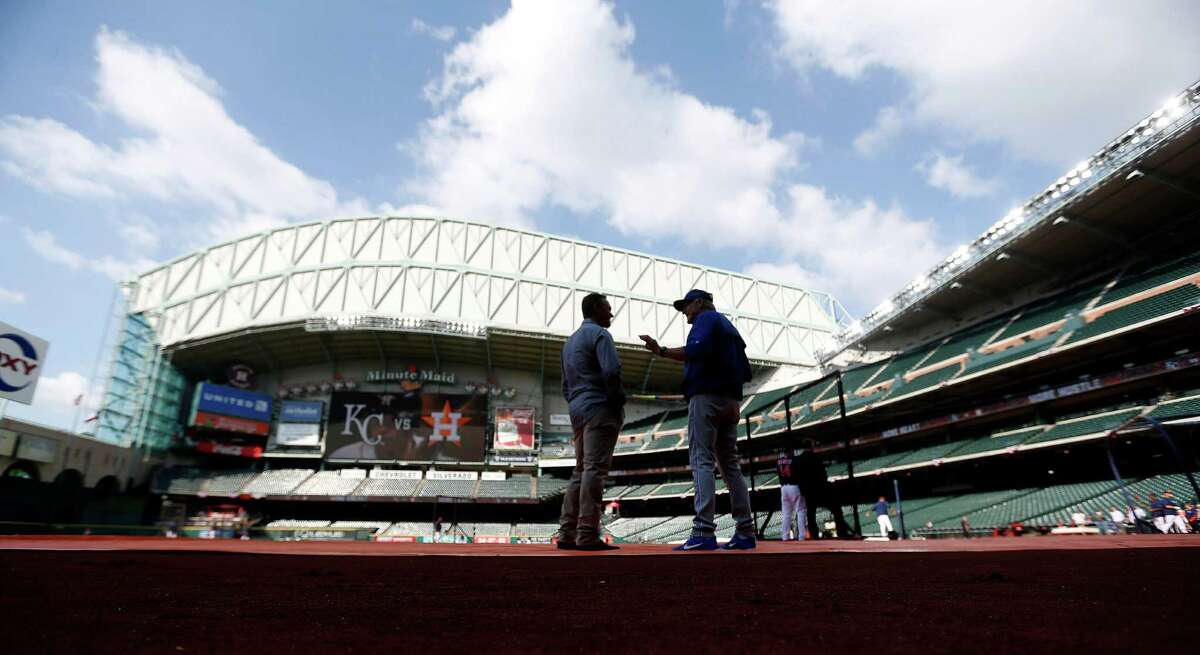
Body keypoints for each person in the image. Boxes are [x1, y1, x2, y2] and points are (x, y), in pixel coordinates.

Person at [639, 289, 756, 551]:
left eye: (686, 307)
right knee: (730, 465)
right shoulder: (729, 327)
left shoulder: (706, 319)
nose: (685, 313)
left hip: (707, 397)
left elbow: (697, 348)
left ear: (699, 303)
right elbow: (746, 371)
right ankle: (745, 531)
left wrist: (662, 351)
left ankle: (703, 531)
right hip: (731, 400)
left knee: (701, 460)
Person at [557, 292, 625, 551]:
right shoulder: (601, 335)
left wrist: (578, 401)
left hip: (577, 409)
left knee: (580, 470)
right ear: (596, 309)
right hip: (599, 407)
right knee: (594, 469)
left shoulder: (569, 341)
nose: (611, 313)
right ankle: (586, 534)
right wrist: (617, 400)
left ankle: (566, 533)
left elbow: (565, 385)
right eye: (608, 308)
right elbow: (611, 371)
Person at [793, 438, 853, 538]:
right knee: (837, 511)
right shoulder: (816, 457)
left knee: (811, 515)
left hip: (808, 491)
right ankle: (842, 533)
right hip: (821, 489)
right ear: (811, 446)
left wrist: (803, 489)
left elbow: (798, 477)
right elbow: (823, 474)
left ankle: (815, 536)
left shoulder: (799, 459)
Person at [776, 449, 806, 540]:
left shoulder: (778, 461)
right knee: (801, 511)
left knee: (786, 513)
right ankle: (801, 536)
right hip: (794, 486)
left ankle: (785, 536)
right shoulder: (795, 459)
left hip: (784, 488)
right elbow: (800, 474)